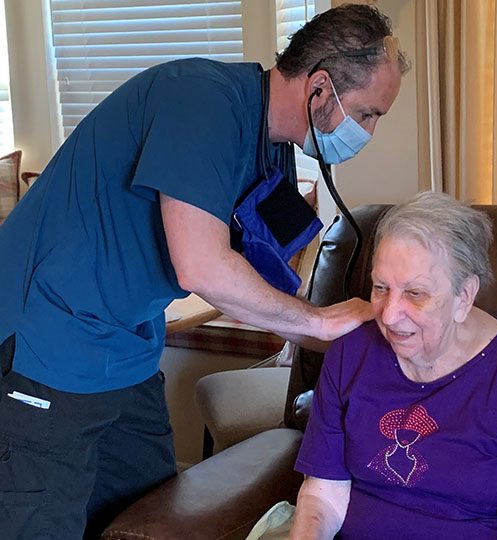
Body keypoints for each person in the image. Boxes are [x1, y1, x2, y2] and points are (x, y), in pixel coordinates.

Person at [0, 4, 410, 539]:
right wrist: (319, 324)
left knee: (145, 519)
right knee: (41, 522)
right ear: (321, 88)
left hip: (127, 348)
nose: (368, 132)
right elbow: (201, 265)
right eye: (369, 114)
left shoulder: (275, 152)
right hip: (48, 342)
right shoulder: (201, 99)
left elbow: (263, 269)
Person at [290, 191, 497, 540]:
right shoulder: (350, 355)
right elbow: (324, 495)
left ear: (464, 296)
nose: (389, 316)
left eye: (415, 294)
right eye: (380, 288)